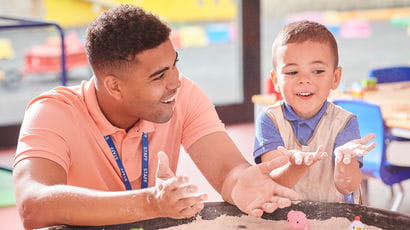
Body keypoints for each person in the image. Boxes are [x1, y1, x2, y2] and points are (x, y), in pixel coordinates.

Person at [13, 4, 298, 229]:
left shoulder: (183, 94)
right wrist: (151, 203)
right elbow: (33, 205)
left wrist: (240, 182)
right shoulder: (53, 111)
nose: (175, 81)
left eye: (175, 64)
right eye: (159, 75)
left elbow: (227, 172)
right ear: (114, 85)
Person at [253, 20, 376, 203]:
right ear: (276, 80)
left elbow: (346, 186)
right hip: (284, 219)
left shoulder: (344, 122)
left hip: (336, 219)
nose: (304, 80)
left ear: (335, 78)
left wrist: (345, 162)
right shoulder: (270, 120)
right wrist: (295, 166)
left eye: (317, 71)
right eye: (292, 72)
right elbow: (273, 180)